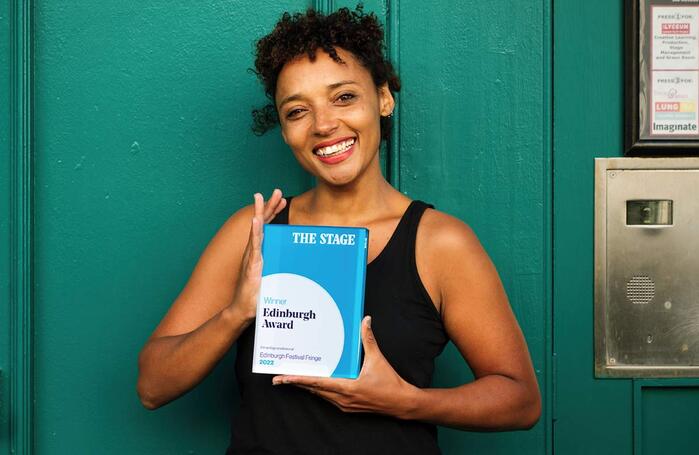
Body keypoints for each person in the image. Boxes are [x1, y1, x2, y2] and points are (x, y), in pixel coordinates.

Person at [137, 6, 541, 454]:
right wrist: (237, 312)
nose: (324, 124)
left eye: (344, 97)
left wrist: (405, 402)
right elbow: (153, 386)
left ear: (384, 98)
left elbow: (520, 401)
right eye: (297, 111)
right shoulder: (255, 232)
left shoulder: (440, 243)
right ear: (284, 130)